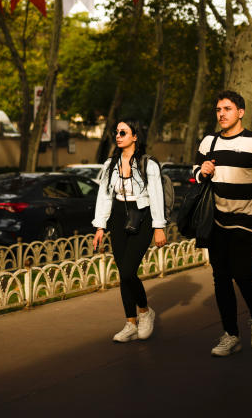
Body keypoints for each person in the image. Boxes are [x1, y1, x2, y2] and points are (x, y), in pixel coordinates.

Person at [194, 90, 252, 357]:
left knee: (241, 273)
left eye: (227, 109)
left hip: (247, 220)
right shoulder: (208, 142)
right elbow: (195, 174)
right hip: (216, 220)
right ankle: (231, 334)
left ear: (240, 112)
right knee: (220, 278)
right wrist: (201, 172)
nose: (221, 114)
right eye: (218, 109)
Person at [92, 119, 167, 343]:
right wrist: (100, 226)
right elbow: (104, 196)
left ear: (135, 136)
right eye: (116, 132)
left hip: (142, 217)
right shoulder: (110, 165)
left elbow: (156, 196)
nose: (118, 136)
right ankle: (130, 323)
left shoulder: (148, 164)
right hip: (118, 216)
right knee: (124, 275)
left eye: (123, 132)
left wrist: (159, 227)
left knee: (127, 271)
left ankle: (145, 311)